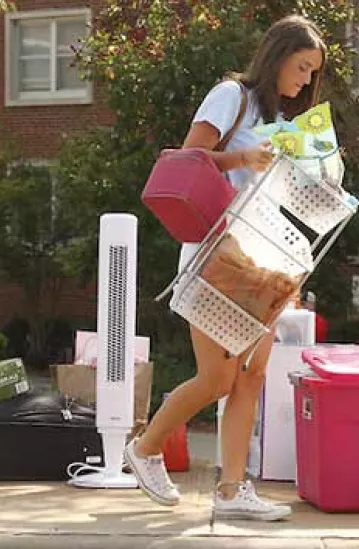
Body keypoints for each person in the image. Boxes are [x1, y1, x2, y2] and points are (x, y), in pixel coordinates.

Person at [123, 14, 327, 522]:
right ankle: (146, 448)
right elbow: (186, 157)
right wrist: (243, 160)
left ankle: (233, 490)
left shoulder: (279, 119)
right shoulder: (231, 96)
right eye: (301, 67)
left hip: (262, 254)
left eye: (311, 73)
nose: (305, 80)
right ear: (278, 56)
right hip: (214, 253)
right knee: (217, 377)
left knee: (253, 374)